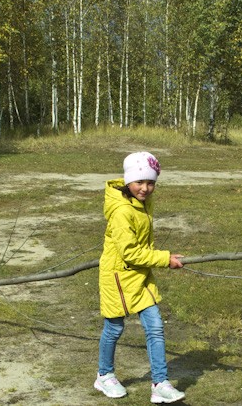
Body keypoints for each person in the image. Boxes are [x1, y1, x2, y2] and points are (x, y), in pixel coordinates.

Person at [94, 151, 186, 404]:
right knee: (114, 328)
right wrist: (164, 259)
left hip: (140, 275)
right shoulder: (122, 211)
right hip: (118, 277)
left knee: (155, 326)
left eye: (151, 182)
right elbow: (130, 253)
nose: (145, 188)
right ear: (127, 182)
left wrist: (161, 258)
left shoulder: (143, 202)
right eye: (139, 182)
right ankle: (104, 375)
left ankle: (160, 383)